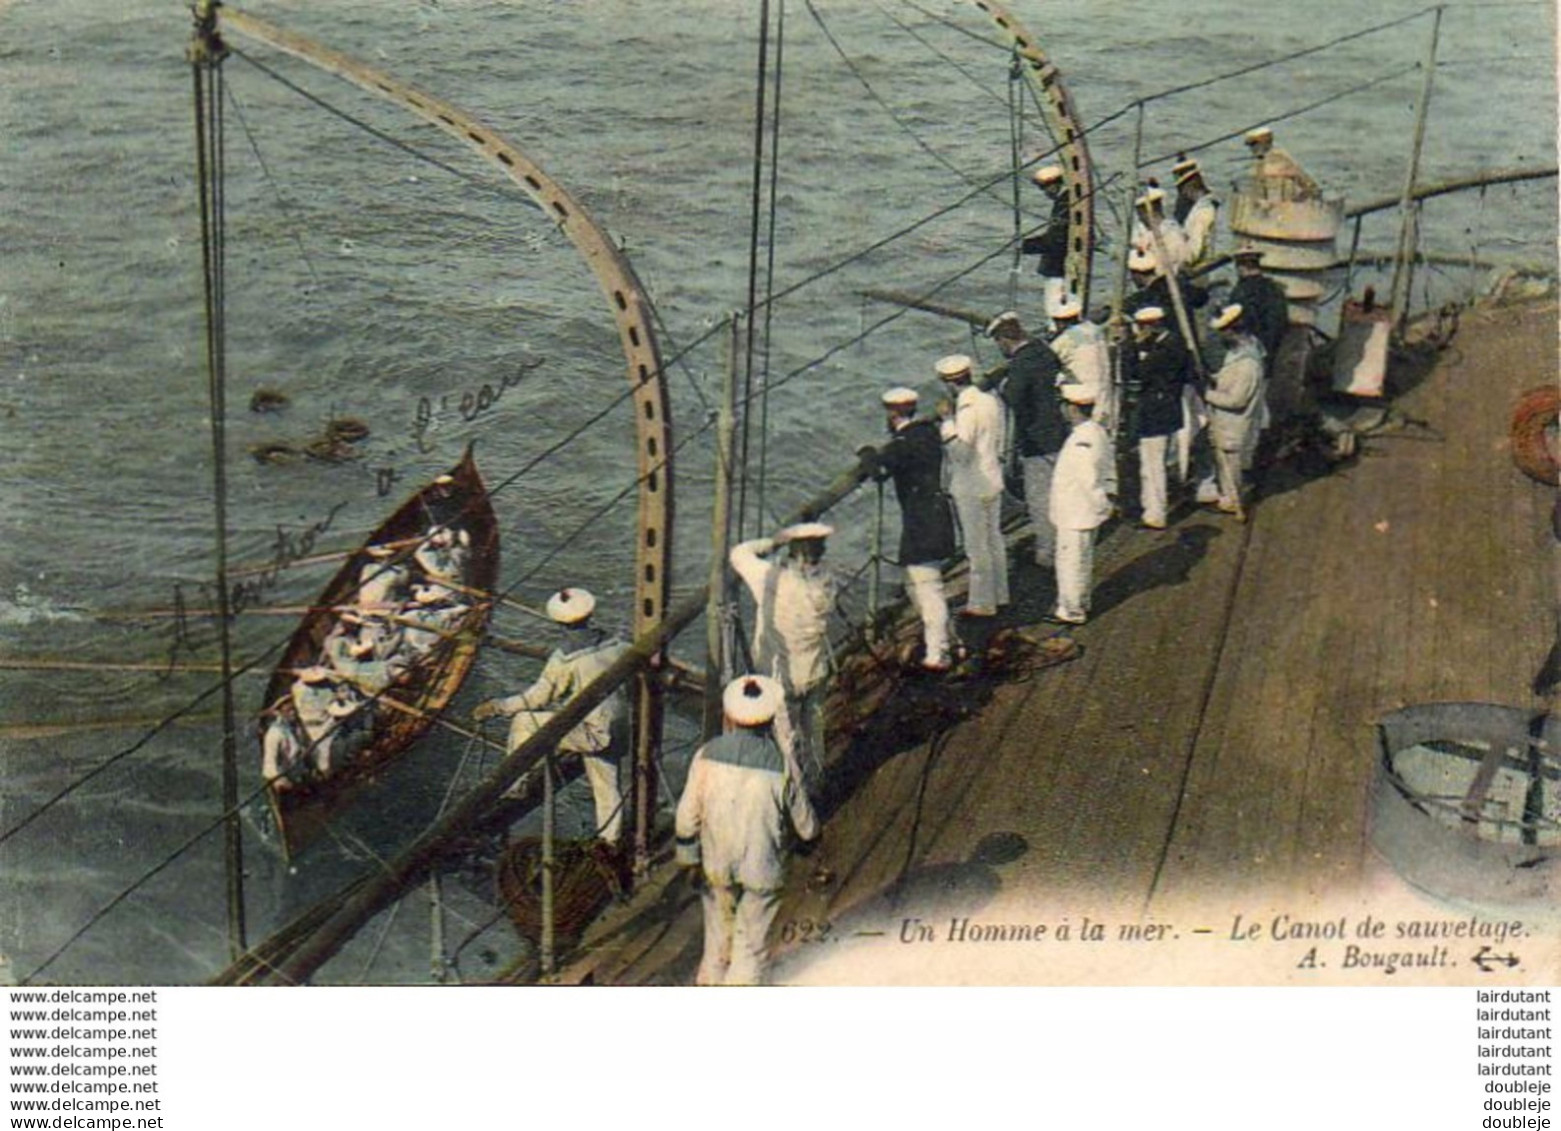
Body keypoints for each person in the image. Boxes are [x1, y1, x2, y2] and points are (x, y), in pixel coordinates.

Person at [675, 674, 819, 987]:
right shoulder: (781, 764)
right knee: (752, 947)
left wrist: (688, 858)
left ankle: (709, 984)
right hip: (762, 867)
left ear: (728, 717)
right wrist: (809, 840)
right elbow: (804, 821)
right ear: (768, 722)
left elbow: (686, 817)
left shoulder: (706, 755)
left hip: (716, 864)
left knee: (716, 937)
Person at [474, 587, 629, 843]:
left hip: (592, 733)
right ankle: (610, 842)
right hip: (620, 728)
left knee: (524, 721)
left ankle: (515, 782)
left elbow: (537, 698)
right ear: (589, 614)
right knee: (607, 788)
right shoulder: (619, 645)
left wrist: (497, 706)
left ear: (558, 622)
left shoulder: (565, 659)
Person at [729, 525, 837, 789]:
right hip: (814, 670)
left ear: (794, 552)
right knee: (814, 730)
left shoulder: (770, 578)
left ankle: (796, 797)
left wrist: (773, 543)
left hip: (781, 678)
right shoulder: (827, 581)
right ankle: (816, 783)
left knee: (786, 742)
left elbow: (739, 554)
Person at [859, 386, 957, 670]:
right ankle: (948, 640)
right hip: (936, 515)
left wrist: (866, 452)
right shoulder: (928, 432)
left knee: (927, 589)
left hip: (921, 523)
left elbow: (878, 471)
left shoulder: (903, 444)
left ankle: (938, 654)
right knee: (915, 583)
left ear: (892, 414)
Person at [986, 311, 1067, 567]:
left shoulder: (1021, 363)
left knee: (1039, 499)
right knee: (1060, 493)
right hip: (1059, 431)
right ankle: (1060, 543)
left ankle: (1047, 552)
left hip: (1038, 441)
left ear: (1003, 339)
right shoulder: (1043, 350)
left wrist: (1000, 385)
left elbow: (1012, 397)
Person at [936, 354, 1009, 616]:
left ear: (948, 383)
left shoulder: (966, 410)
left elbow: (961, 453)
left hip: (971, 485)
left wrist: (947, 422)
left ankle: (981, 604)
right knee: (995, 540)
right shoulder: (990, 400)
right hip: (992, 476)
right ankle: (1000, 594)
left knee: (976, 546)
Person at [1048, 386, 1117, 625]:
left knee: (1070, 563)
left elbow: (1088, 481)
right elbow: (1107, 470)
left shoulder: (1081, 441)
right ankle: (1081, 601)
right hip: (1082, 512)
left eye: (1064, 405)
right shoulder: (1096, 431)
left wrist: (1103, 507)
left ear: (1073, 408)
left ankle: (1071, 610)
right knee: (1082, 560)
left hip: (1075, 513)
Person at [1126, 306, 1191, 529]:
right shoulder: (1175, 342)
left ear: (1149, 326)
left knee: (1152, 466)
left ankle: (1155, 513)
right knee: (1159, 462)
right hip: (1170, 409)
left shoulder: (1163, 351)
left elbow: (1136, 372)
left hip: (1156, 412)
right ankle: (1154, 506)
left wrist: (1132, 345)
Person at [1204, 304, 1265, 521]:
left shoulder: (1248, 364)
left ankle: (1233, 502)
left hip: (1235, 423)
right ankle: (1228, 499)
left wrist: (1208, 394)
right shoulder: (1245, 351)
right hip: (1228, 422)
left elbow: (1237, 400)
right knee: (1226, 464)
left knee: (1231, 466)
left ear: (1233, 330)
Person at [1050, 299, 1113, 431]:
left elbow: (1049, 359)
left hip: (1080, 396)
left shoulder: (1065, 339)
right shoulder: (1096, 331)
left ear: (1059, 321)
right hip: (1102, 393)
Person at [1020, 164, 1071, 323]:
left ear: (1055, 184)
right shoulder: (1066, 201)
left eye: (1045, 188)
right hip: (1060, 268)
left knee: (1055, 308)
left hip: (1058, 269)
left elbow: (1056, 240)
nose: (1045, 193)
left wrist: (1026, 246)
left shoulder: (1065, 204)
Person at [1228, 246, 1290, 366]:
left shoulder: (1241, 291)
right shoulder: (1275, 288)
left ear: (1240, 267)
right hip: (1272, 351)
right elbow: (1280, 323)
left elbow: (1237, 324)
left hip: (1248, 353)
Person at [1243, 126, 1321, 201]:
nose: (1252, 149)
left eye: (1254, 145)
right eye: (1250, 145)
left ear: (1265, 142)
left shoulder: (1279, 157)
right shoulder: (1260, 160)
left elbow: (1307, 184)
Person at [1173, 161, 1219, 273]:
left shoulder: (1201, 212)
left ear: (1189, 188)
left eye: (1182, 191)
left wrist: (1178, 262)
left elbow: (1194, 251)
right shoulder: (1212, 205)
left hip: (1203, 272)